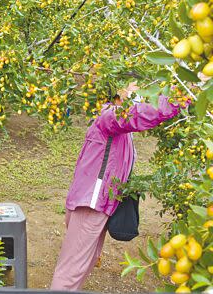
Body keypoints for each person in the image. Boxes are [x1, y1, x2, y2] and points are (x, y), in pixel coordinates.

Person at [50, 82, 188, 291]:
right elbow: (141, 114)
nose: (138, 92)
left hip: (97, 203)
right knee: (70, 272)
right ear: (117, 93)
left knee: (84, 264)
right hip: (90, 205)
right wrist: (179, 97)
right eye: (132, 88)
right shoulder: (110, 116)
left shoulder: (116, 125)